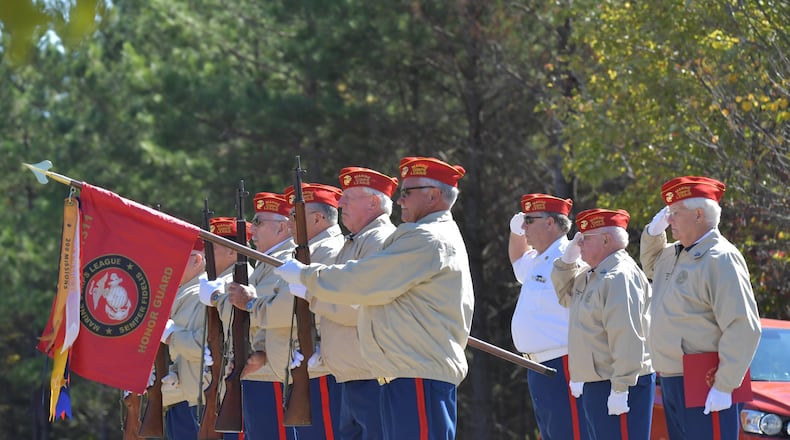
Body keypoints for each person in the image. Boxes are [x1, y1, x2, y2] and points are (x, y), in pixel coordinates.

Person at [275, 156, 475, 439]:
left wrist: (308, 277)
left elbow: (364, 280)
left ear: (434, 195)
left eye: (407, 193)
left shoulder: (427, 238)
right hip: (406, 372)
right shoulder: (422, 235)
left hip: (417, 372)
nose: (400, 201)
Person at [640, 176, 761, 440]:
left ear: (698, 214)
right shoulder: (673, 254)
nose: (669, 220)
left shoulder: (721, 257)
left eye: (675, 213)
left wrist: (725, 385)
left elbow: (743, 325)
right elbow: (649, 265)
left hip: (705, 379)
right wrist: (653, 232)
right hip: (672, 377)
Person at [230, 183, 345, 439]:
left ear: (317, 218)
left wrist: (250, 304)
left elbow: (286, 308)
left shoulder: (325, 250)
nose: (291, 221)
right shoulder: (301, 253)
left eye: (295, 215)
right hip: (298, 367)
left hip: (318, 367)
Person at [551, 208, 655, 439]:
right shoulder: (591, 275)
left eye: (585, 239)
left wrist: (621, 388)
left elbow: (626, 336)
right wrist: (567, 262)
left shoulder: (619, 276)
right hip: (597, 383)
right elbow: (564, 295)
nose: (579, 245)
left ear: (606, 240)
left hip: (618, 384)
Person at [312, 166, 398, 439]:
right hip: (353, 371)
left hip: (371, 373)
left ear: (374, 202)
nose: (340, 203)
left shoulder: (379, 240)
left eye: (349, 197)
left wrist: (311, 294)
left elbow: (358, 306)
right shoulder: (356, 240)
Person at [507, 193, 588, 440]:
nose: (524, 228)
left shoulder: (570, 257)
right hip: (538, 365)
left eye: (529, 221)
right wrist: (515, 231)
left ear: (550, 223)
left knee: (571, 433)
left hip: (563, 362)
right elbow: (518, 259)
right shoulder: (539, 258)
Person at [224, 191, 295, 440]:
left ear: (282, 228)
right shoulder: (266, 262)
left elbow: (262, 308)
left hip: (271, 372)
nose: (251, 230)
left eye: (259, 222)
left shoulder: (284, 261)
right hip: (260, 369)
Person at [198, 216, 253, 440]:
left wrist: (217, 297)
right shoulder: (211, 284)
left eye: (212, 247)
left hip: (240, 383)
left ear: (233, 252)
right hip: (220, 387)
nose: (205, 253)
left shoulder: (242, 282)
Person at [159, 239, 214, 439]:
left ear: (197, 260)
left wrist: (171, 337)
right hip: (182, 391)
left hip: (197, 393)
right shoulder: (183, 291)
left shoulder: (201, 293)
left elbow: (204, 346)